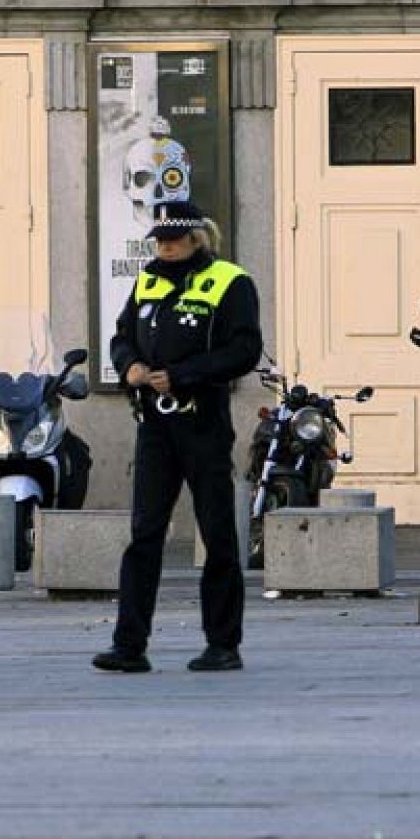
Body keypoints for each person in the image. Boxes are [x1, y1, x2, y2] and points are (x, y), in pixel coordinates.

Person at [94, 201, 262, 674]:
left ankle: (222, 644)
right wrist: (129, 364)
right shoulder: (147, 281)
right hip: (155, 426)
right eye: (159, 239)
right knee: (144, 534)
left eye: (174, 238)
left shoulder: (230, 282)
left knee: (217, 534)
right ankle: (129, 645)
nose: (164, 246)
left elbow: (245, 348)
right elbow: (122, 334)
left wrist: (184, 375)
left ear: (196, 239)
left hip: (202, 422)